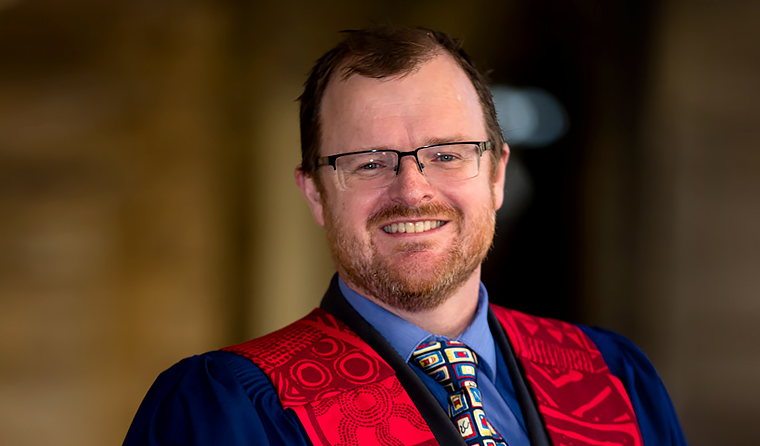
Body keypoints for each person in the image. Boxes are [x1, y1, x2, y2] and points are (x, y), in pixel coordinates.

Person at [123, 26, 687, 446]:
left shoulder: (612, 378)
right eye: (369, 163)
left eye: (447, 154)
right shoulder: (228, 408)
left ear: (496, 176)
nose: (412, 191)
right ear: (315, 193)